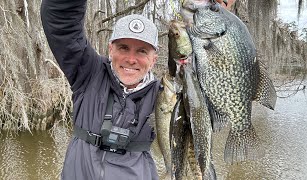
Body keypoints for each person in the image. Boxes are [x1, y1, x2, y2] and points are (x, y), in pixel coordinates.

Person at [41, 0, 235, 179]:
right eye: (124, 48)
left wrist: (215, 14)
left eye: (142, 51)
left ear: (154, 59)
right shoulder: (88, 73)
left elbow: (210, 77)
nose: (131, 59)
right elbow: (61, 24)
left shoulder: (166, 94)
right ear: (111, 49)